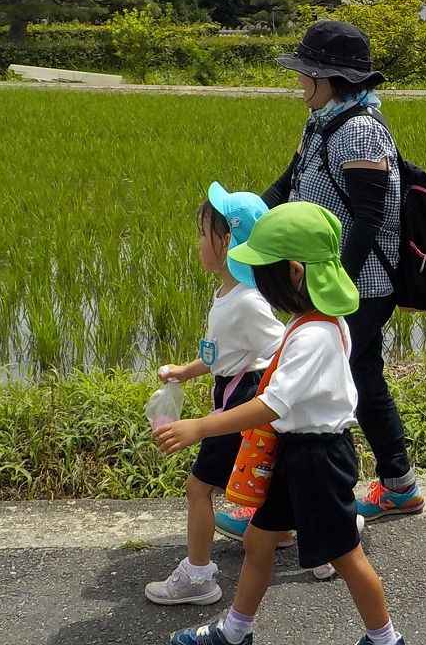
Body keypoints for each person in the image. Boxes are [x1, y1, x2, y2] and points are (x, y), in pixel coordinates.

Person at [155, 202, 407, 645]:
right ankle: (235, 633)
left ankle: (386, 639)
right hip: (298, 453)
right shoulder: (310, 322)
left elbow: (271, 404)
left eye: (264, 274)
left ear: (293, 273)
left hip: (318, 460)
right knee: (258, 542)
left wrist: (200, 427)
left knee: (347, 556)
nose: (259, 288)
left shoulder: (314, 334)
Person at [258, 20, 424, 524]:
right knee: (352, 376)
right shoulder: (323, 121)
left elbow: (372, 217)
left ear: (331, 78)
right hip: (325, 280)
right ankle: (389, 484)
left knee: (354, 380)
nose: (299, 82)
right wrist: (245, 223)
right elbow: (289, 182)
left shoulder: (360, 129)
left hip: (360, 286)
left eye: (306, 73)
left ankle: (384, 486)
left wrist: (337, 286)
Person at [145, 185, 286, 606]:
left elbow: (284, 347)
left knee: (198, 486)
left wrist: (267, 394)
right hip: (232, 390)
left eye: (203, 232)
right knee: (271, 474)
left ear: (227, 243)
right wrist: (184, 372)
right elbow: (221, 354)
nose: (197, 241)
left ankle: (199, 575)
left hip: (243, 399)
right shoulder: (227, 294)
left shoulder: (247, 302)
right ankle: (288, 529)